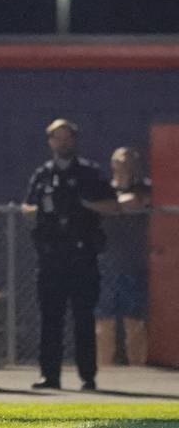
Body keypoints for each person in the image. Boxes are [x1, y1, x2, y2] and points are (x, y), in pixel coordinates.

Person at [23, 119, 118, 391]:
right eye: (57, 138)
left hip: (82, 256)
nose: (62, 143)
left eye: (67, 138)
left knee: (83, 318)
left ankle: (88, 376)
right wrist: (41, 209)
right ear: (50, 142)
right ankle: (49, 375)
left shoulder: (90, 173)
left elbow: (112, 206)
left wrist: (84, 205)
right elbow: (26, 208)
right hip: (51, 257)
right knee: (50, 319)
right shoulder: (43, 174)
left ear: (74, 141)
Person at [96, 147, 151, 366]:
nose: (124, 164)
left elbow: (136, 201)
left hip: (133, 263)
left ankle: (138, 369)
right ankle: (103, 369)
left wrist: (114, 206)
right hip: (105, 262)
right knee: (103, 321)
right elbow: (98, 206)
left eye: (128, 160)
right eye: (119, 160)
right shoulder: (104, 189)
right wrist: (112, 205)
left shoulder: (145, 187)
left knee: (134, 320)